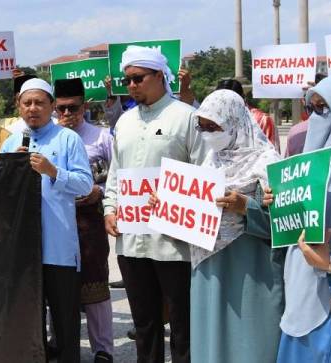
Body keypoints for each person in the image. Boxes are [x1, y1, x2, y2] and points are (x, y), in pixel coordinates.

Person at [149, 89, 284, 362]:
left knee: (252, 345)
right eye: (203, 127)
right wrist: (165, 206)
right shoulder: (208, 163)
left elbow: (284, 225)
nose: (208, 133)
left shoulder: (268, 164)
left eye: (214, 126)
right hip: (209, 271)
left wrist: (246, 207)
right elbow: (188, 222)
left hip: (251, 273)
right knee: (212, 344)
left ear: (235, 122)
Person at [102, 45, 204, 363]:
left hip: (175, 241)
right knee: (144, 324)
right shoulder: (125, 123)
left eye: (137, 78)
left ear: (159, 76)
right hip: (132, 241)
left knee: (183, 324)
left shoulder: (186, 117)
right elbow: (116, 173)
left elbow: (206, 173)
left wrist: (177, 199)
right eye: (126, 80)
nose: (131, 85)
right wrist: (109, 208)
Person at [0, 78, 92, 363]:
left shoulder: (68, 139)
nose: (33, 108)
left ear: (52, 105)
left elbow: (86, 185)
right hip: (24, 251)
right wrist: (9, 170)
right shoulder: (11, 143)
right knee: (29, 322)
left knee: (64, 321)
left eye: (40, 102)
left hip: (59, 248)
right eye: (27, 103)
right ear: (18, 106)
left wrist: (54, 171)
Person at [263, 74, 331, 363]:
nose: (316, 116)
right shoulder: (314, 160)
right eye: (311, 108)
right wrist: (278, 205)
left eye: (323, 108)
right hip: (301, 296)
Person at [54, 78, 114, 362]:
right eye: (62, 109)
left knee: (96, 286)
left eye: (73, 109)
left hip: (89, 221)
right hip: (56, 221)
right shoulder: (47, 138)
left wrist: (99, 192)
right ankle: (60, 344)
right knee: (57, 287)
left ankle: (102, 349)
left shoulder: (100, 137)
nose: (67, 115)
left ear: (84, 106)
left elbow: (117, 177)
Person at [215, 79, 281, 152]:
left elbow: (272, 154)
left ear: (243, 98)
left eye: (232, 101)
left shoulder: (262, 120)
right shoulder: (213, 121)